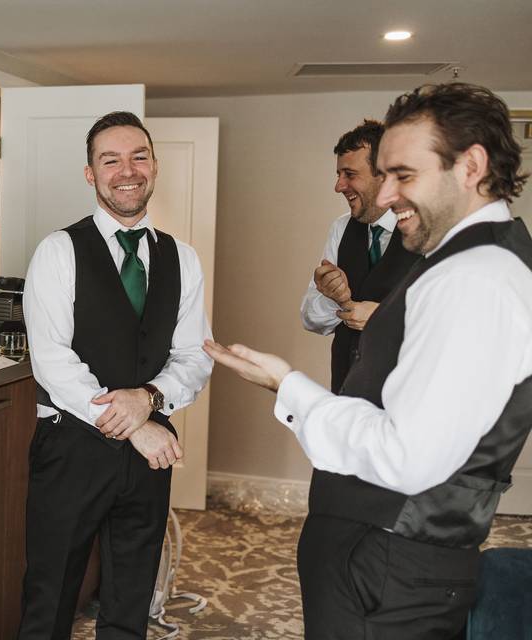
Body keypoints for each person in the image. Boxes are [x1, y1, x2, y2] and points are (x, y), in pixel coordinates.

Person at [205, 82, 532, 639]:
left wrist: (289, 384)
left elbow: (406, 454)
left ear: (471, 165)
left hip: (390, 561)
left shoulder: (476, 279)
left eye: (404, 176)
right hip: (381, 552)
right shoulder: (468, 262)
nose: (385, 197)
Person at [18, 111, 213, 639]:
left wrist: (148, 401)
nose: (127, 171)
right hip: (71, 449)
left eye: (139, 156)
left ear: (155, 165)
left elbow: (195, 356)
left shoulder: (183, 259)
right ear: (90, 173)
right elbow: (52, 360)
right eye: (111, 160)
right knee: (49, 597)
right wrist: (134, 422)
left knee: (131, 600)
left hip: (150, 452)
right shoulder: (58, 251)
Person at [301, 119, 418, 392]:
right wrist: (335, 297)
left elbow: (448, 325)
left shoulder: (426, 231)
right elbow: (310, 318)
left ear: (384, 175)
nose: (339, 186)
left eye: (350, 174)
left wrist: (384, 320)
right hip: (345, 394)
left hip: (404, 400)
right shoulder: (341, 228)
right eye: (338, 175)